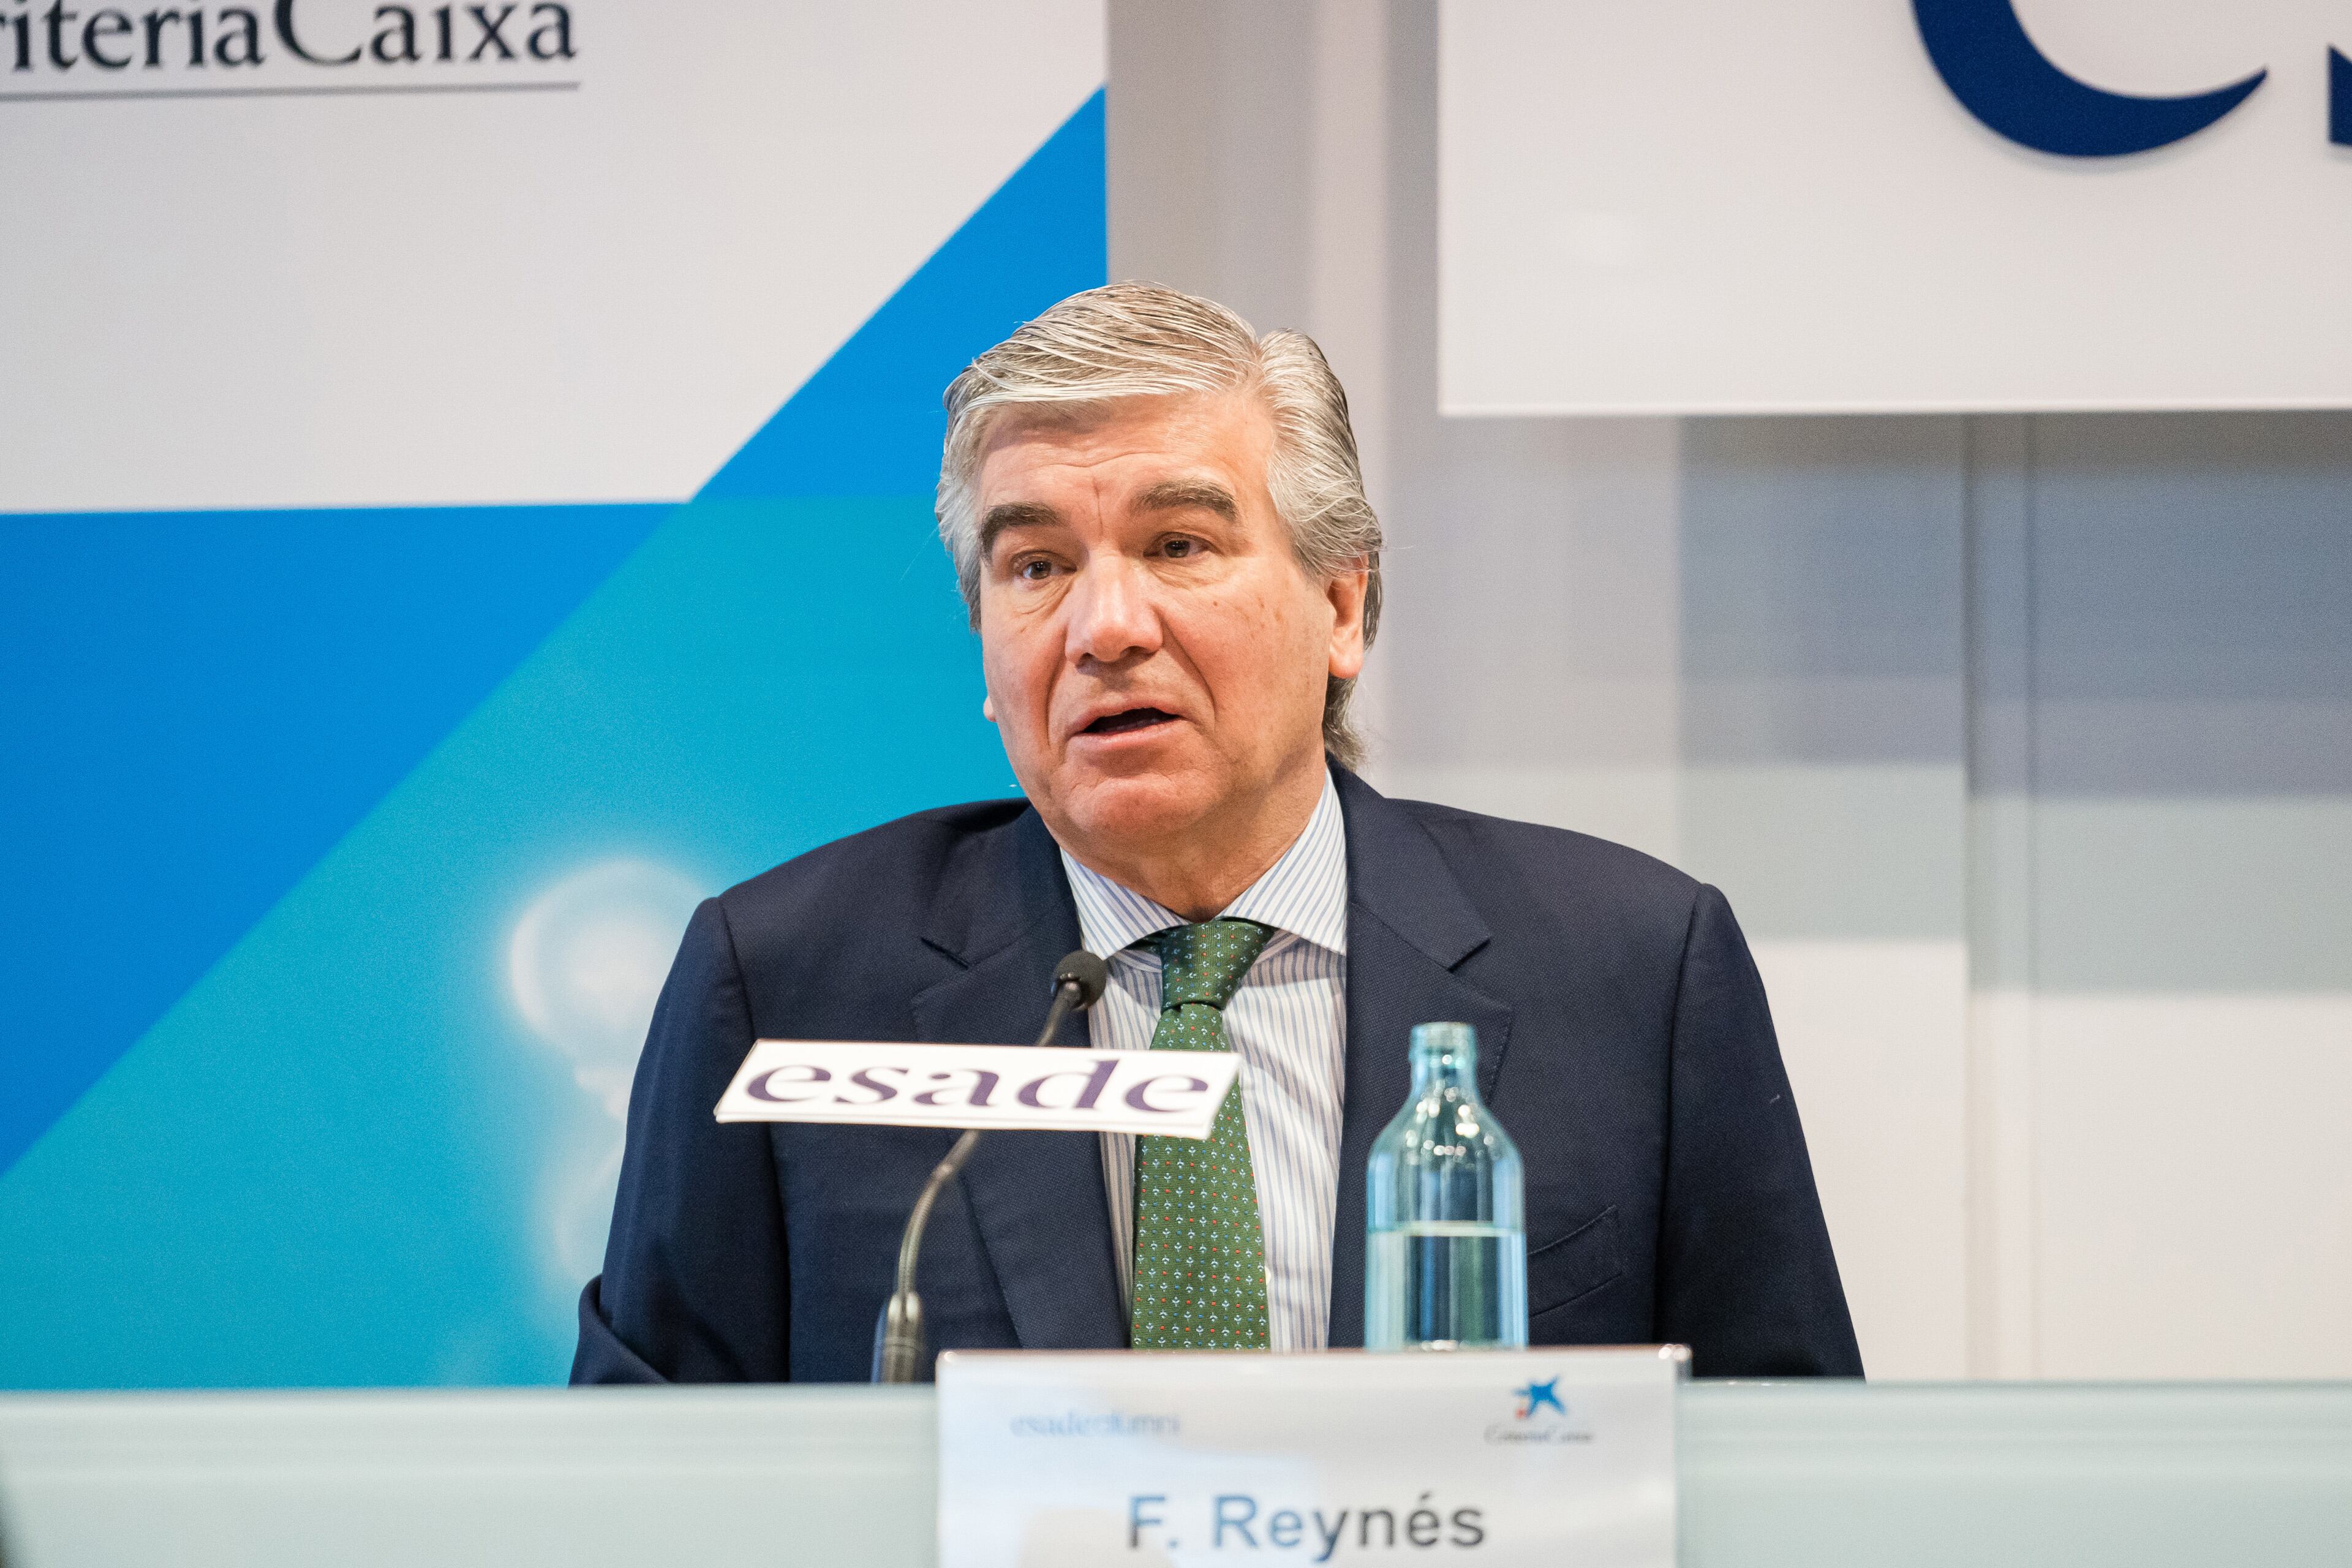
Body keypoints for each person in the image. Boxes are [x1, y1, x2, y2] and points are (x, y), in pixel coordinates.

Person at [573, 282, 1862, 1382]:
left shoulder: (1630, 964)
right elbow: (644, 1483)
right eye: (1036, 567)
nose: (1104, 628)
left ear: (1341, 606)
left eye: (1179, 543)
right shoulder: (788, 978)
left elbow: (1786, 1457)